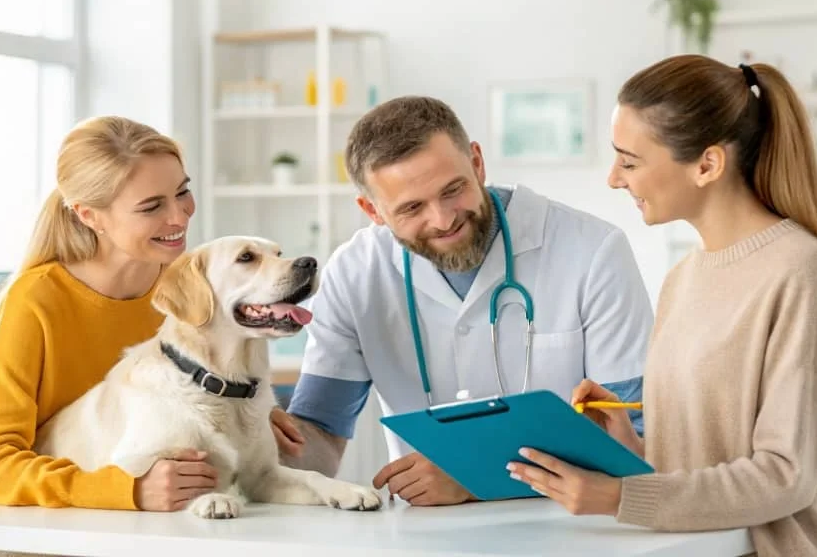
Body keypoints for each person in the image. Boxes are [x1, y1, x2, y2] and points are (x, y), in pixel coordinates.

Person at [507, 55, 817, 557]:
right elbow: (698, 470)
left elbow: (786, 476)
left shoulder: (801, 274)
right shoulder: (683, 280)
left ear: (707, 164)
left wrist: (618, 497)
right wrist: (634, 448)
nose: (614, 179)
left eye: (630, 161)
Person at [270, 95, 655, 506]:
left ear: (477, 162)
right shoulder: (355, 271)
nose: (443, 219)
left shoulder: (593, 251)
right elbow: (317, 443)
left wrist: (474, 475)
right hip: (425, 539)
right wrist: (245, 434)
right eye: (412, 208)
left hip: (569, 532)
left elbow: (635, 446)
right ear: (372, 210)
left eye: (453, 190)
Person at [0, 116, 218, 513]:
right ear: (88, 215)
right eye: (152, 206)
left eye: (182, 192)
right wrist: (126, 490)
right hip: (50, 535)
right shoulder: (35, 301)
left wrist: (255, 416)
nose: (180, 217)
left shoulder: (186, 286)